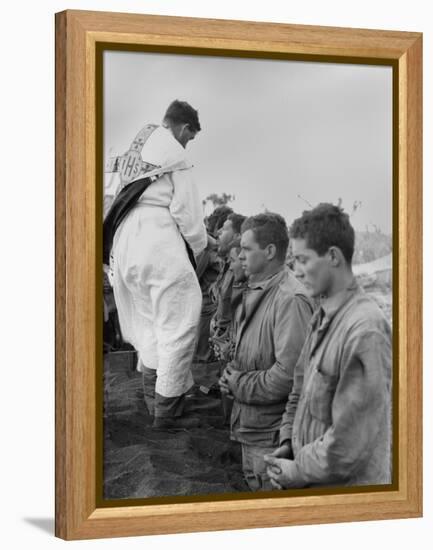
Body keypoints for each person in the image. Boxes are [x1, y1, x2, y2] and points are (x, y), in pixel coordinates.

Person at [264, 203, 392, 488]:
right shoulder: (321, 318)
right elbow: (299, 391)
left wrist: (297, 469)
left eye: (303, 260)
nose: (295, 271)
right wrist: (289, 441)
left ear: (333, 256)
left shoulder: (365, 329)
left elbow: (348, 445)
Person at [111, 100, 208, 429]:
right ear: (183, 129)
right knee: (179, 323)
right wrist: (199, 249)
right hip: (157, 242)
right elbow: (189, 216)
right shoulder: (174, 154)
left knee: (151, 324)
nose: (187, 144)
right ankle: (166, 415)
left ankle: (153, 400)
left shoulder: (130, 150)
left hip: (124, 244)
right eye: (190, 138)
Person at [218, 213, 313, 491]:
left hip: (272, 438)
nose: (241, 256)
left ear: (270, 251)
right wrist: (231, 375)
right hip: (253, 429)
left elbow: (289, 376)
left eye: (247, 249)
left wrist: (237, 383)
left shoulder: (290, 300)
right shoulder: (257, 291)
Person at [210, 213, 246, 340]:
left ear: (237, 236)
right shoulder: (227, 264)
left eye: (224, 229)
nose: (218, 232)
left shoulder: (240, 269)